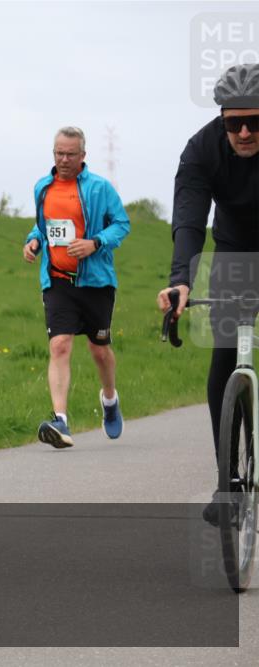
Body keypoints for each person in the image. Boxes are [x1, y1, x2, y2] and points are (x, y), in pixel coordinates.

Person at [156, 63, 259, 525]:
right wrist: (181, 280)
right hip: (235, 251)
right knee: (225, 353)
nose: (242, 131)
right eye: (232, 122)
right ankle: (228, 485)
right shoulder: (201, 150)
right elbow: (190, 218)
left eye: (254, 122)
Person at [23, 127, 131, 448]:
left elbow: (122, 224)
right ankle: (61, 421)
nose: (64, 159)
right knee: (59, 345)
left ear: (83, 156)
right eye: (59, 153)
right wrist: (33, 241)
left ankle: (110, 400)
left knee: (99, 350)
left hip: (96, 282)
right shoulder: (43, 187)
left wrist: (95, 243)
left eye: (70, 154)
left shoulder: (100, 188)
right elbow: (44, 225)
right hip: (58, 281)